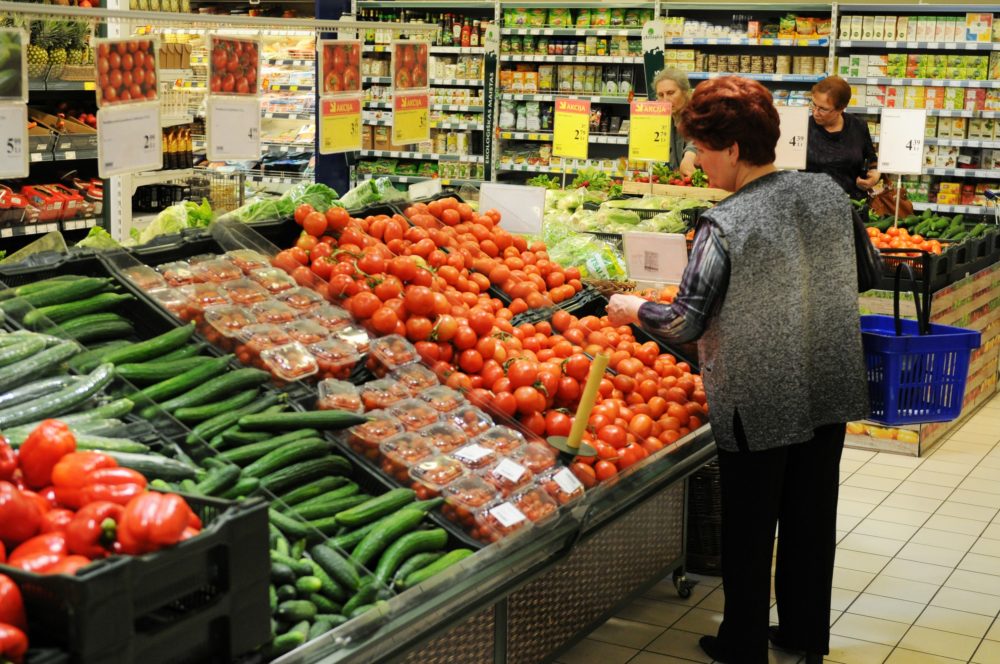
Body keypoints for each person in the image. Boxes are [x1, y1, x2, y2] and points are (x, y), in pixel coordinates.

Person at [607, 76, 882, 664]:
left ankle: (742, 648)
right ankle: (805, 637)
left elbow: (684, 322)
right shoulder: (828, 195)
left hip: (757, 395)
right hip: (827, 382)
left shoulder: (724, 222)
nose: (694, 161)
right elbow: (867, 274)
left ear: (732, 150)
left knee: (750, 530)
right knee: (811, 522)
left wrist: (634, 307)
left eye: (700, 149)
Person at [805, 75, 880, 202]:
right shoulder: (803, 127)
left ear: (840, 109)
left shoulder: (858, 126)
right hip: (812, 205)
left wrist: (873, 177)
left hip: (853, 204)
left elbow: (872, 161)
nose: (815, 112)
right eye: (814, 105)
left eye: (823, 109)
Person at [652, 68, 699, 177]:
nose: (665, 100)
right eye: (660, 95)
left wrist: (689, 156)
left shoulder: (699, 112)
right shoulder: (668, 118)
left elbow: (699, 137)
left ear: (685, 91)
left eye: (670, 93)